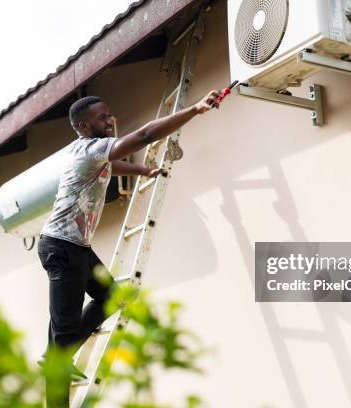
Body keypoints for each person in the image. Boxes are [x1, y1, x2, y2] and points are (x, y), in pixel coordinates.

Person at [37, 89, 221, 406]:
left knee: (111, 297)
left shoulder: (89, 152)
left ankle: (57, 352)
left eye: (110, 115)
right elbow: (146, 134)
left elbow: (110, 169)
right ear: (83, 125)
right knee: (62, 338)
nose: (110, 121)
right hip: (62, 247)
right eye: (102, 118)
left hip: (75, 246)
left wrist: (142, 170)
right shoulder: (90, 149)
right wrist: (194, 110)